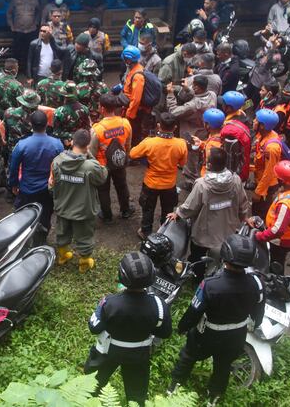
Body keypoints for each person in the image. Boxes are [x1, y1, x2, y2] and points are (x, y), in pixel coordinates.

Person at [169, 234, 265, 404]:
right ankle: (214, 397)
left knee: (188, 357)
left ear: (225, 255)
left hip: (208, 334)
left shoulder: (211, 285)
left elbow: (194, 311)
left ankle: (174, 387)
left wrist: (182, 327)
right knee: (223, 365)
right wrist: (254, 323)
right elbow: (258, 312)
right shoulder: (257, 284)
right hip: (236, 336)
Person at [85, 252, 171, 405]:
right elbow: (165, 332)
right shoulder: (159, 305)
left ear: (121, 276)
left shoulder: (109, 303)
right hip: (139, 353)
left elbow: (94, 327)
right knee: (137, 395)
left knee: (91, 386)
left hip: (108, 351)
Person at [169, 147, 251, 282]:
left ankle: (197, 280)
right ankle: (217, 279)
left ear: (209, 165)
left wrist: (177, 213)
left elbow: (190, 207)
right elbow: (243, 202)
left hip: (204, 231)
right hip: (227, 228)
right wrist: (244, 217)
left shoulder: (202, 184)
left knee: (197, 256)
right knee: (222, 257)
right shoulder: (235, 180)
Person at [50, 129, 107, 272]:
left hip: (63, 207)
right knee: (85, 236)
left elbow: (51, 185)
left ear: (71, 142)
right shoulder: (90, 166)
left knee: (62, 232)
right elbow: (102, 176)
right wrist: (91, 156)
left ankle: (63, 255)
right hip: (83, 210)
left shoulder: (57, 161)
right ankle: (84, 262)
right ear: (88, 145)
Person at [9, 110, 64, 243]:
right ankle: (41, 241)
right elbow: (62, 167)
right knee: (45, 216)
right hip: (48, 189)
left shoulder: (22, 145)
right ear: (47, 124)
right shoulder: (57, 144)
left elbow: (13, 167)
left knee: (25, 215)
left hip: (27, 189)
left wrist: (14, 184)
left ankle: (26, 240)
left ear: (30, 125)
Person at [130, 112, 187, 239]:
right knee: (167, 209)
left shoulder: (149, 142)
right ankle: (165, 232)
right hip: (169, 184)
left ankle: (145, 231)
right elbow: (182, 163)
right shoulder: (181, 144)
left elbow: (133, 154)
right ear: (175, 128)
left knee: (148, 208)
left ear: (158, 126)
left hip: (151, 183)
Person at [254, 161, 290, 271]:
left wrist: (260, 236)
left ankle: (277, 279)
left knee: (276, 262)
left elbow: (278, 230)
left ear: (282, 181)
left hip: (282, 240)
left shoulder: (285, 204)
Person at [166, 76, 217, 188]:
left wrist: (170, 94)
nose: (191, 86)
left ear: (197, 87)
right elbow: (197, 96)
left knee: (190, 156)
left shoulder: (193, 105)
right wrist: (188, 90)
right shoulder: (212, 94)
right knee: (199, 154)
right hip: (204, 129)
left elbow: (173, 112)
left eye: (193, 85)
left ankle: (190, 181)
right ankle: (197, 172)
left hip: (191, 132)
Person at [89, 94, 133, 224]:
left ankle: (107, 215)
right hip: (119, 162)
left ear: (102, 108)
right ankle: (125, 210)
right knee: (122, 186)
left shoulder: (97, 129)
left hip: (103, 166)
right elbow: (128, 144)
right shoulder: (125, 123)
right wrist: (125, 158)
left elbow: (92, 152)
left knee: (103, 190)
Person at [251, 108, 283, 216]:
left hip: (267, 185)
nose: (253, 121)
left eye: (256, 120)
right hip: (259, 177)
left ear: (262, 125)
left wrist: (258, 192)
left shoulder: (271, 148)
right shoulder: (263, 134)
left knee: (259, 211)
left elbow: (269, 173)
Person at [7, 0, 40, 71]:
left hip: (31, 30)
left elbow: (38, 12)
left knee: (29, 51)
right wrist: (11, 25)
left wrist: (36, 23)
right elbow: (9, 13)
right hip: (18, 30)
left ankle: (27, 70)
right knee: (17, 51)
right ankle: (15, 70)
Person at [121, 46, 150, 144]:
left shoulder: (137, 76)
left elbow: (136, 99)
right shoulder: (133, 69)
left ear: (128, 60)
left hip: (135, 111)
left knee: (134, 134)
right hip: (131, 107)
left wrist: (129, 115)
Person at [53, 82, 91, 147]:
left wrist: (70, 136)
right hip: (82, 142)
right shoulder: (85, 109)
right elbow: (87, 128)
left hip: (66, 144)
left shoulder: (58, 112)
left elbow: (56, 133)